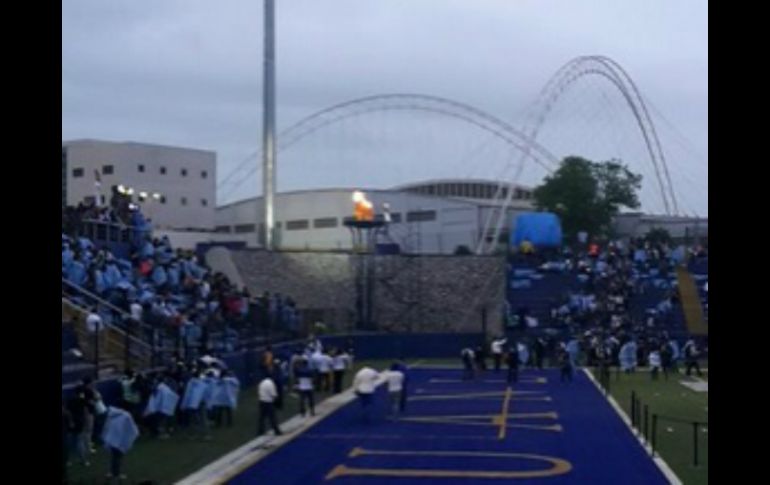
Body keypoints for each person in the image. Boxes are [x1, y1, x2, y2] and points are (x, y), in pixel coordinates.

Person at [101, 405, 139, 482]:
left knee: (113, 457)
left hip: (111, 438)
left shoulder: (112, 413)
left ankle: (112, 472)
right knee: (118, 458)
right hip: (120, 439)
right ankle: (116, 475)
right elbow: (132, 428)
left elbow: (107, 425)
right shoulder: (126, 415)